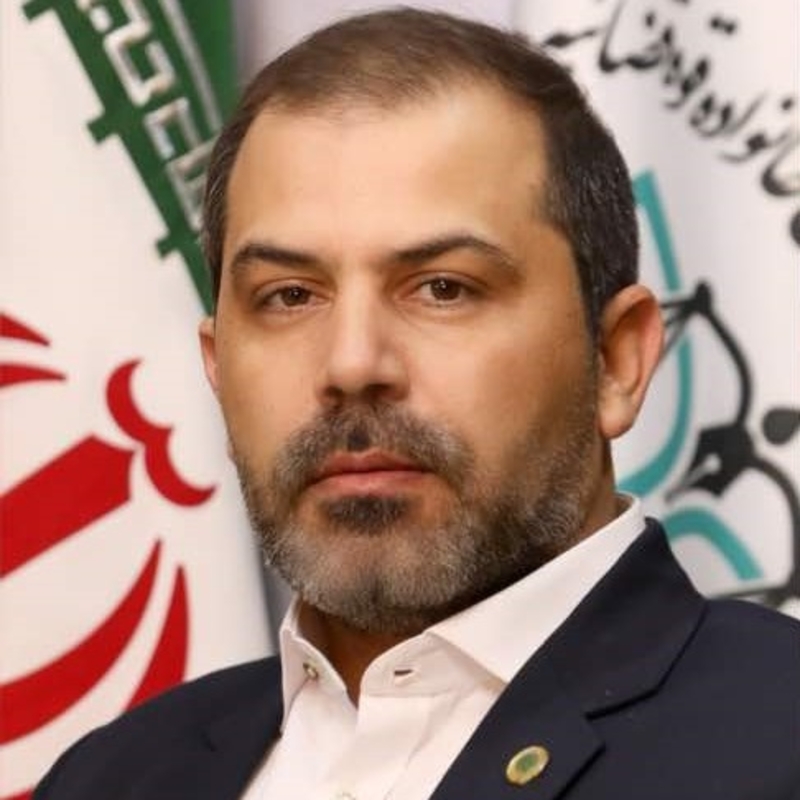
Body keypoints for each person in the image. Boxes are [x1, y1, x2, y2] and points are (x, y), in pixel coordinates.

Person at [34, 8, 800, 800]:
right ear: (218, 370)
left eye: (443, 288)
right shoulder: (107, 778)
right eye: (290, 295)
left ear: (616, 360)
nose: (352, 363)